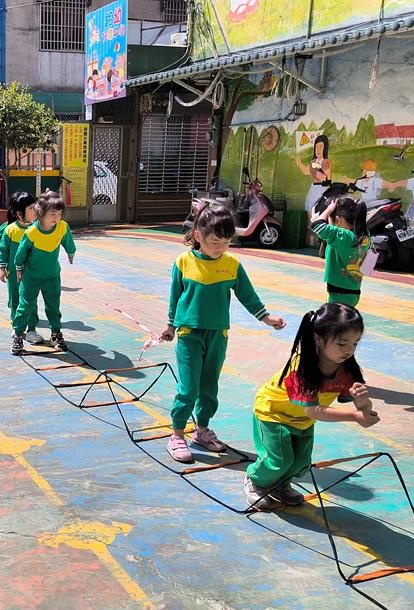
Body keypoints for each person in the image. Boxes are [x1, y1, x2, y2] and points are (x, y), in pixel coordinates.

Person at [158, 204, 285, 464]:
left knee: (209, 387)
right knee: (188, 388)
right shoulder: (183, 262)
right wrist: (170, 325)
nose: (220, 248)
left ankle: (202, 430)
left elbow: (248, 296)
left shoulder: (232, 265)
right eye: (215, 242)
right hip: (189, 334)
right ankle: (177, 434)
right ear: (198, 235)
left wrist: (267, 318)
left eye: (226, 242)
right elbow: (175, 296)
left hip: (218, 335)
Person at [244, 303, 379, 509]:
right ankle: (255, 481)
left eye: (355, 343)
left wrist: (363, 404)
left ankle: (280, 485)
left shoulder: (346, 370)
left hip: (302, 420)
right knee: (278, 460)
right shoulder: (301, 368)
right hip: (273, 414)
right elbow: (313, 410)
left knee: (300, 463)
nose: (349, 350)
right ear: (318, 338)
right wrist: (354, 416)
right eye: (342, 343)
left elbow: (363, 408)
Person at [11, 190, 76, 355]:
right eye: (52, 214)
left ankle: (55, 334)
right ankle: (18, 335)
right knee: (25, 306)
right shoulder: (31, 232)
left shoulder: (62, 227)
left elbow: (67, 240)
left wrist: (71, 252)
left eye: (59, 214)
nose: (56, 218)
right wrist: (19, 268)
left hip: (52, 276)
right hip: (31, 277)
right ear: (40, 213)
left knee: (53, 306)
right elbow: (21, 253)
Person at [0, 191, 43, 343]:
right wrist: (3, 268)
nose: (35, 210)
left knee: (31, 301)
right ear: (19, 213)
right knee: (15, 299)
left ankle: (32, 330)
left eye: (35, 206)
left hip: (31, 273)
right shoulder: (10, 229)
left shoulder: (37, 228)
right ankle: (17, 327)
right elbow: (3, 250)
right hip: (13, 272)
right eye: (31, 208)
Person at [311, 196, 368, 306]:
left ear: (338, 220)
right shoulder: (363, 235)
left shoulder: (343, 237)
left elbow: (316, 225)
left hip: (339, 295)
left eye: (329, 220)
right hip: (353, 292)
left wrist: (328, 210)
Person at [296, 134, 331, 214]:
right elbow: (306, 171)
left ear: (325, 148)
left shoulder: (326, 162)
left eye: (320, 147)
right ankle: (310, 222)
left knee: (317, 209)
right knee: (308, 207)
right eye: (316, 147)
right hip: (313, 187)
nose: (318, 149)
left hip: (321, 188)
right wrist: (300, 163)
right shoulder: (313, 162)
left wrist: (320, 171)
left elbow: (327, 178)